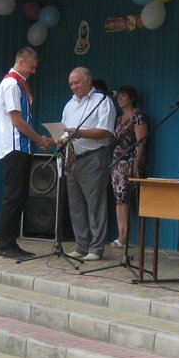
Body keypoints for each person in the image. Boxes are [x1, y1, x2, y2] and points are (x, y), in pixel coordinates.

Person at [0, 48, 55, 258]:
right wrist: (39, 139)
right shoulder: (12, 84)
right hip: (15, 147)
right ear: (21, 61)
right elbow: (17, 120)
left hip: (22, 146)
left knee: (19, 196)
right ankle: (5, 244)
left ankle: (10, 242)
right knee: (14, 196)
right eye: (32, 66)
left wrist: (36, 140)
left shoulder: (19, 84)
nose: (34, 70)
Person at [60, 66, 116, 261]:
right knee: (75, 205)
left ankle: (96, 248)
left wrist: (80, 133)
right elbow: (64, 130)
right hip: (72, 158)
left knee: (95, 204)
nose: (73, 87)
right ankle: (81, 245)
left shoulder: (102, 101)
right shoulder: (69, 105)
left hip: (93, 157)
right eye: (70, 84)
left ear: (88, 81)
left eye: (76, 83)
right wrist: (59, 139)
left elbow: (106, 131)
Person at [108, 86, 149, 249]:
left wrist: (137, 163)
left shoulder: (138, 116)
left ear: (131, 98)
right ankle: (120, 234)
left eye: (123, 96)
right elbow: (115, 139)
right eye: (119, 96)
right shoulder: (119, 119)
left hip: (130, 161)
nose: (120, 99)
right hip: (117, 161)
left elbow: (141, 142)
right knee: (119, 198)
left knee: (125, 197)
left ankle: (125, 236)